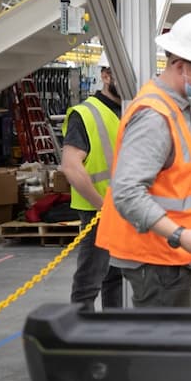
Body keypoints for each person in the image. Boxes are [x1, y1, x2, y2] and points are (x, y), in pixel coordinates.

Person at [96, 12, 191, 308]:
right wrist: (179, 235)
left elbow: (168, 179)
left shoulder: (179, 107)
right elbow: (127, 192)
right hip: (159, 259)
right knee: (168, 350)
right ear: (179, 66)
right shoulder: (154, 115)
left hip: (182, 256)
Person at [61, 53, 123, 311]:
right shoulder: (86, 114)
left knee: (117, 276)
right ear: (105, 75)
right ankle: (80, 329)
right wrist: (102, 205)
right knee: (91, 277)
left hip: (125, 207)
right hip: (97, 210)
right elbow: (71, 165)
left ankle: (115, 329)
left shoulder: (131, 108)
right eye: (119, 73)